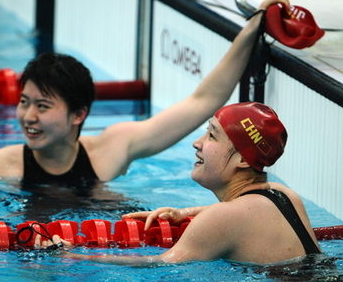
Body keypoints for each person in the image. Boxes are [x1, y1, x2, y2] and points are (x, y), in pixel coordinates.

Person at [0, 0, 289, 210]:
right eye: (24, 102)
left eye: (43, 107)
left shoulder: (114, 147)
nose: (28, 116)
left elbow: (203, 102)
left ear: (79, 114)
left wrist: (254, 25)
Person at [35, 102, 321, 265]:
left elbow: (157, 265)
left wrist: (74, 254)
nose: (197, 143)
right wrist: (184, 214)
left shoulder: (224, 219)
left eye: (212, 136)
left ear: (243, 160)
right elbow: (243, 211)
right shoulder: (284, 195)